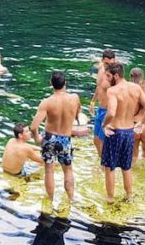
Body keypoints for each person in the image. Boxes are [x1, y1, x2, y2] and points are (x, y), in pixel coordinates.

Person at [101, 63, 145, 202]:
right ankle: (129, 196)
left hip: (115, 132)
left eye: (108, 76)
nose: (106, 79)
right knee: (126, 167)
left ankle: (110, 198)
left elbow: (111, 112)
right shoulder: (135, 88)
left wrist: (104, 125)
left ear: (116, 75)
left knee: (109, 168)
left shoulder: (113, 91)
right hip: (129, 132)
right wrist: (141, 123)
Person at [29, 71, 81, 203]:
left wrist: (37, 139)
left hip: (50, 137)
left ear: (51, 84)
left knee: (49, 171)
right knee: (68, 169)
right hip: (65, 138)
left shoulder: (46, 102)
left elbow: (33, 126)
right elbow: (77, 114)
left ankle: (50, 200)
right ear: (65, 83)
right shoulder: (74, 98)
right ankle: (71, 198)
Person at [89, 50, 117, 157]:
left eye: (111, 63)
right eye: (106, 63)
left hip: (108, 111)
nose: (109, 66)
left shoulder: (114, 77)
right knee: (96, 140)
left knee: (104, 140)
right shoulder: (101, 68)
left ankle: (105, 162)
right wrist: (92, 102)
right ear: (102, 61)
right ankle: (102, 159)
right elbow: (99, 87)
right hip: (100, 109)